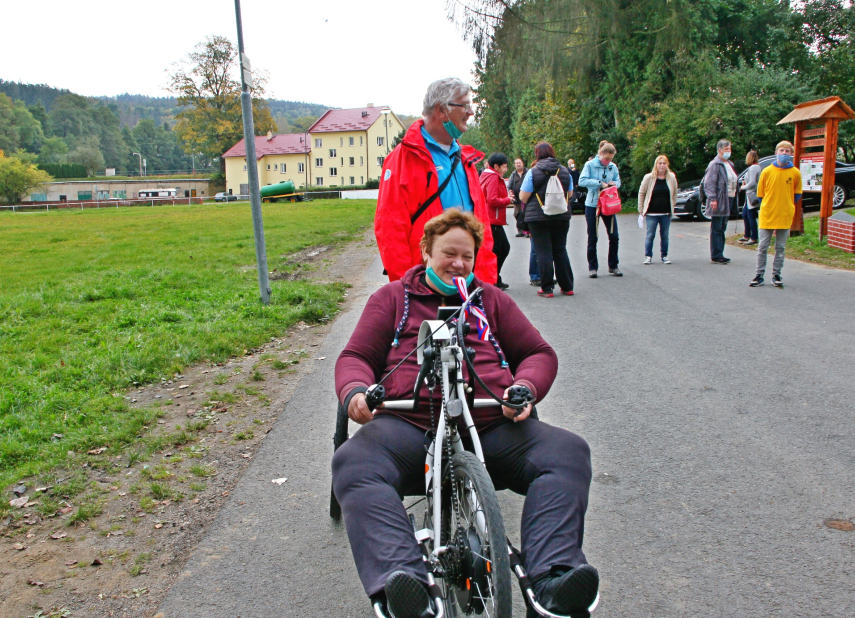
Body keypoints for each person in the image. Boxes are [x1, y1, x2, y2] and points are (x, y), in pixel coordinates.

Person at [332, 209, 598, 618]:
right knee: (353, 463)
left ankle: (552, 578)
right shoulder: (392, 299)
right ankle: (406, 587)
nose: (459, 264)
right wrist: (354, 393)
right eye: (449, 254)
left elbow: (537, 353)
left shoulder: (489, 300)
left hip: (490, 425)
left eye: (467, 257)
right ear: (426, 251)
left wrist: (525, 388)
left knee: (568, 453)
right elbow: (356, 356)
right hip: (409, 426)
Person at [375, 77, 497, 283]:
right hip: (427, 284)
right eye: (465, 105)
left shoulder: (466, 160)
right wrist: (409, 287)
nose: (470, 112)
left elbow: (483, 229)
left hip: (471, 282)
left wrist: (487, 282)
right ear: (442, 110)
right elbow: (390, 231)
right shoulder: (403, 158)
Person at [518, 142, 574, 298]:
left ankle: (547, 288)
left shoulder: (533, 172)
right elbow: (570, 195)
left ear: (537, 154)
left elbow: (523, 196)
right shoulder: (564, 171)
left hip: (538, 217)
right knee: (560, 249)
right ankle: (567, 286)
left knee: (543, 252)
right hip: (561, 216)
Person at [750, 141, 802, 288]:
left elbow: (797, 194)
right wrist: (769, 204)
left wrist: (787, 204)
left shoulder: (795, 173)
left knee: (780, 247)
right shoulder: (766, 171)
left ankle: (776, 274)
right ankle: (759, 275)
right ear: (776, 152)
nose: (784, 153)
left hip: (785, 214)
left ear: (791, 154)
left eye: (787, 151)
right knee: (763, 246)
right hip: (768, 214)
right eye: (782, 150)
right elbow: (760, 194)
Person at [579, 141, 622, 277]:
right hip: (593, 204)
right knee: (593, 237)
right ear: (601, 154)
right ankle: (593, 267)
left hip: (608, 204)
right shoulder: (590, 165)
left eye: (610, 159)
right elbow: (582, 181)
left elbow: (618, 181)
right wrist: (599, 184)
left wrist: (613, 184)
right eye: (606, 158)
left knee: (614, 236)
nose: (608, 161)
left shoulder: (612, 167)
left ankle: (613, 265)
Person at [480, 152, 513, 289]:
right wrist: (508, 200)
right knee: (502, 249)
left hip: (488, 218)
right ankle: (493, 278)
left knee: (496, 249)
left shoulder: (485, 175)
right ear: (496, 166)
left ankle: (495, 278)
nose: (505, 169)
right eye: (504, 167)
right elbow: (492, 200)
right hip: (492, 218)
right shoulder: (493, 177)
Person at [637, 155, 678, 264]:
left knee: (665, 235)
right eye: (660, 163)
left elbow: (674, 194)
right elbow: (642, 193)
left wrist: (672, 205)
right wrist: (641, 208)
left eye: (664, 163)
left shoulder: (671, 177)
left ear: (667, 165)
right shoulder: (649, 177)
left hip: (665, 213)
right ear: (656, 164)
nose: (662, 165)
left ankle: (664, 256)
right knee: (650, 234)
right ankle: (648, 256)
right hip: (652, 213)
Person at [702, 139, 738, 264]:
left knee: (723, 226)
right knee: (717, 227)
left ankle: (720, 253)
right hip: (719, 199)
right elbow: (709, 183)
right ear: (719, 150)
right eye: (726, 149)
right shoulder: (715, 164)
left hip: (730, 198)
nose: (729, 151)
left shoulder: (729, 164)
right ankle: (716, 255)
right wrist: (713, 199)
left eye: (729, 149)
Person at [739, 150, 761, 246]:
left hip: (751, 194)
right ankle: (747, 235)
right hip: (750, 195)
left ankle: (753, 237)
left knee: (750, 216)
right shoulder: (756, 167)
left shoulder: (753, 168)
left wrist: (743, 187)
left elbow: (752, 183)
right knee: (745, 214)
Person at [509, 157, 528, 237]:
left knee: (527, 214)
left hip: (527, 198)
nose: (518, 164)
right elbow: (509, 185)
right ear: (515, 165)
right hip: (517, 199)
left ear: (522, 163)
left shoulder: (528, 172)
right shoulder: (513, 175)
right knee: (517, 215)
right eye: (517, 163)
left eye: (519, 162)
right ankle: (520, 230)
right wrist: (510, 192)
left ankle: (527, 231)